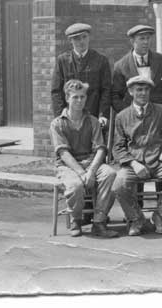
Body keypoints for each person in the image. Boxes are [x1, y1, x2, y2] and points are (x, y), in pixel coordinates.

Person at [111, 76, 162, 236]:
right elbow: (117, 148)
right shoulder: (122, 116)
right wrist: (133, 164)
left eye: (146, 89)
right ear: (131, 92)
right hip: (134, 163)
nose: (143, 93)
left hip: (158, 162)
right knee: (118, 184)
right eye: (139, 89)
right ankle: (136, 218)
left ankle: (160, 215)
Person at [49, 79, 118, 238]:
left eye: (82, 97)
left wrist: (92, 171)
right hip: (67, 166)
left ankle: (99, 222)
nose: (79, 101)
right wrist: (81, 173)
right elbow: (63, 153)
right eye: (75, 97)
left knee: (110, 174)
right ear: (67, 98)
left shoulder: (93, 121)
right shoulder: (57, 124)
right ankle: (76, 219)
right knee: (75, 185)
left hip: (90, 163)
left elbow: (100, 149)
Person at [50, 23, 112, 127]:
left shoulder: (101, 60)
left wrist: (103, 114)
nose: (81, 41)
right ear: (70, 40)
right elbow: (56, 91)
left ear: (89, 37)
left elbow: (106, 90)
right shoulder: (62, 61)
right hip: (70, 118)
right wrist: (60, 115)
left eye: (84, 37)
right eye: (77, 38)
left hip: (94, 116)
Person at [111, 24, 162, 113]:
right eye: (142, 38)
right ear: (132, 41)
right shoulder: (121, 66)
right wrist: (127, 112)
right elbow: (115, 95)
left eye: (148, 38)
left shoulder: (161, 60)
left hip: (158, 116)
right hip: (134, 118)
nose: (146, 42)